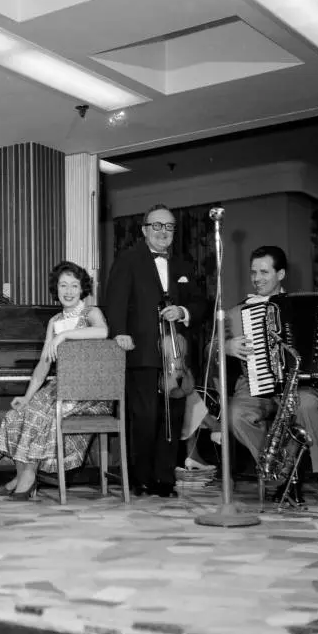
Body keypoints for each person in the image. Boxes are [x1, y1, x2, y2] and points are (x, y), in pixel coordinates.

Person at [225, 245, 318, 505]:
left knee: (307, 404)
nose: (257, 278)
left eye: (264, 272)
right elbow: (210, 347)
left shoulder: (308, 305)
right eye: (253, 272)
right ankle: (284, 475)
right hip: (255, 387)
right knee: (236, 415)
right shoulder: (237, 312)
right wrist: (227, 346)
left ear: (280, 274)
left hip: (299, 385)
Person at [105, 203, 206, 498]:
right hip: (142, 351)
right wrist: (120, 332)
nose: (163, 231)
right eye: (157, 225)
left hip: (176, 355)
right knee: (145, 417)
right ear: (144, 230)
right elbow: (115, 300)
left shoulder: (184, 264)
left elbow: (201, 303)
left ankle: (165, 478)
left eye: (169, 226)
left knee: (172, 417)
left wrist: (183, 311)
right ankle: (141, 478)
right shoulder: (128, 259)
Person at [0, 261, 111, 500]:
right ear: (56, 289)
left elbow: (103, 332)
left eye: (74, 285)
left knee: (41, 417)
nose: (68, 291)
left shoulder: (91, 312)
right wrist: (26, 396)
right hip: (59, 388)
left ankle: (27, 478)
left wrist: (63, 336)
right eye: (63, 285)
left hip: (88, 392)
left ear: (82, 289)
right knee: (18, 413)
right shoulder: (54, 321)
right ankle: (21, 477)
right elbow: (44, 364)